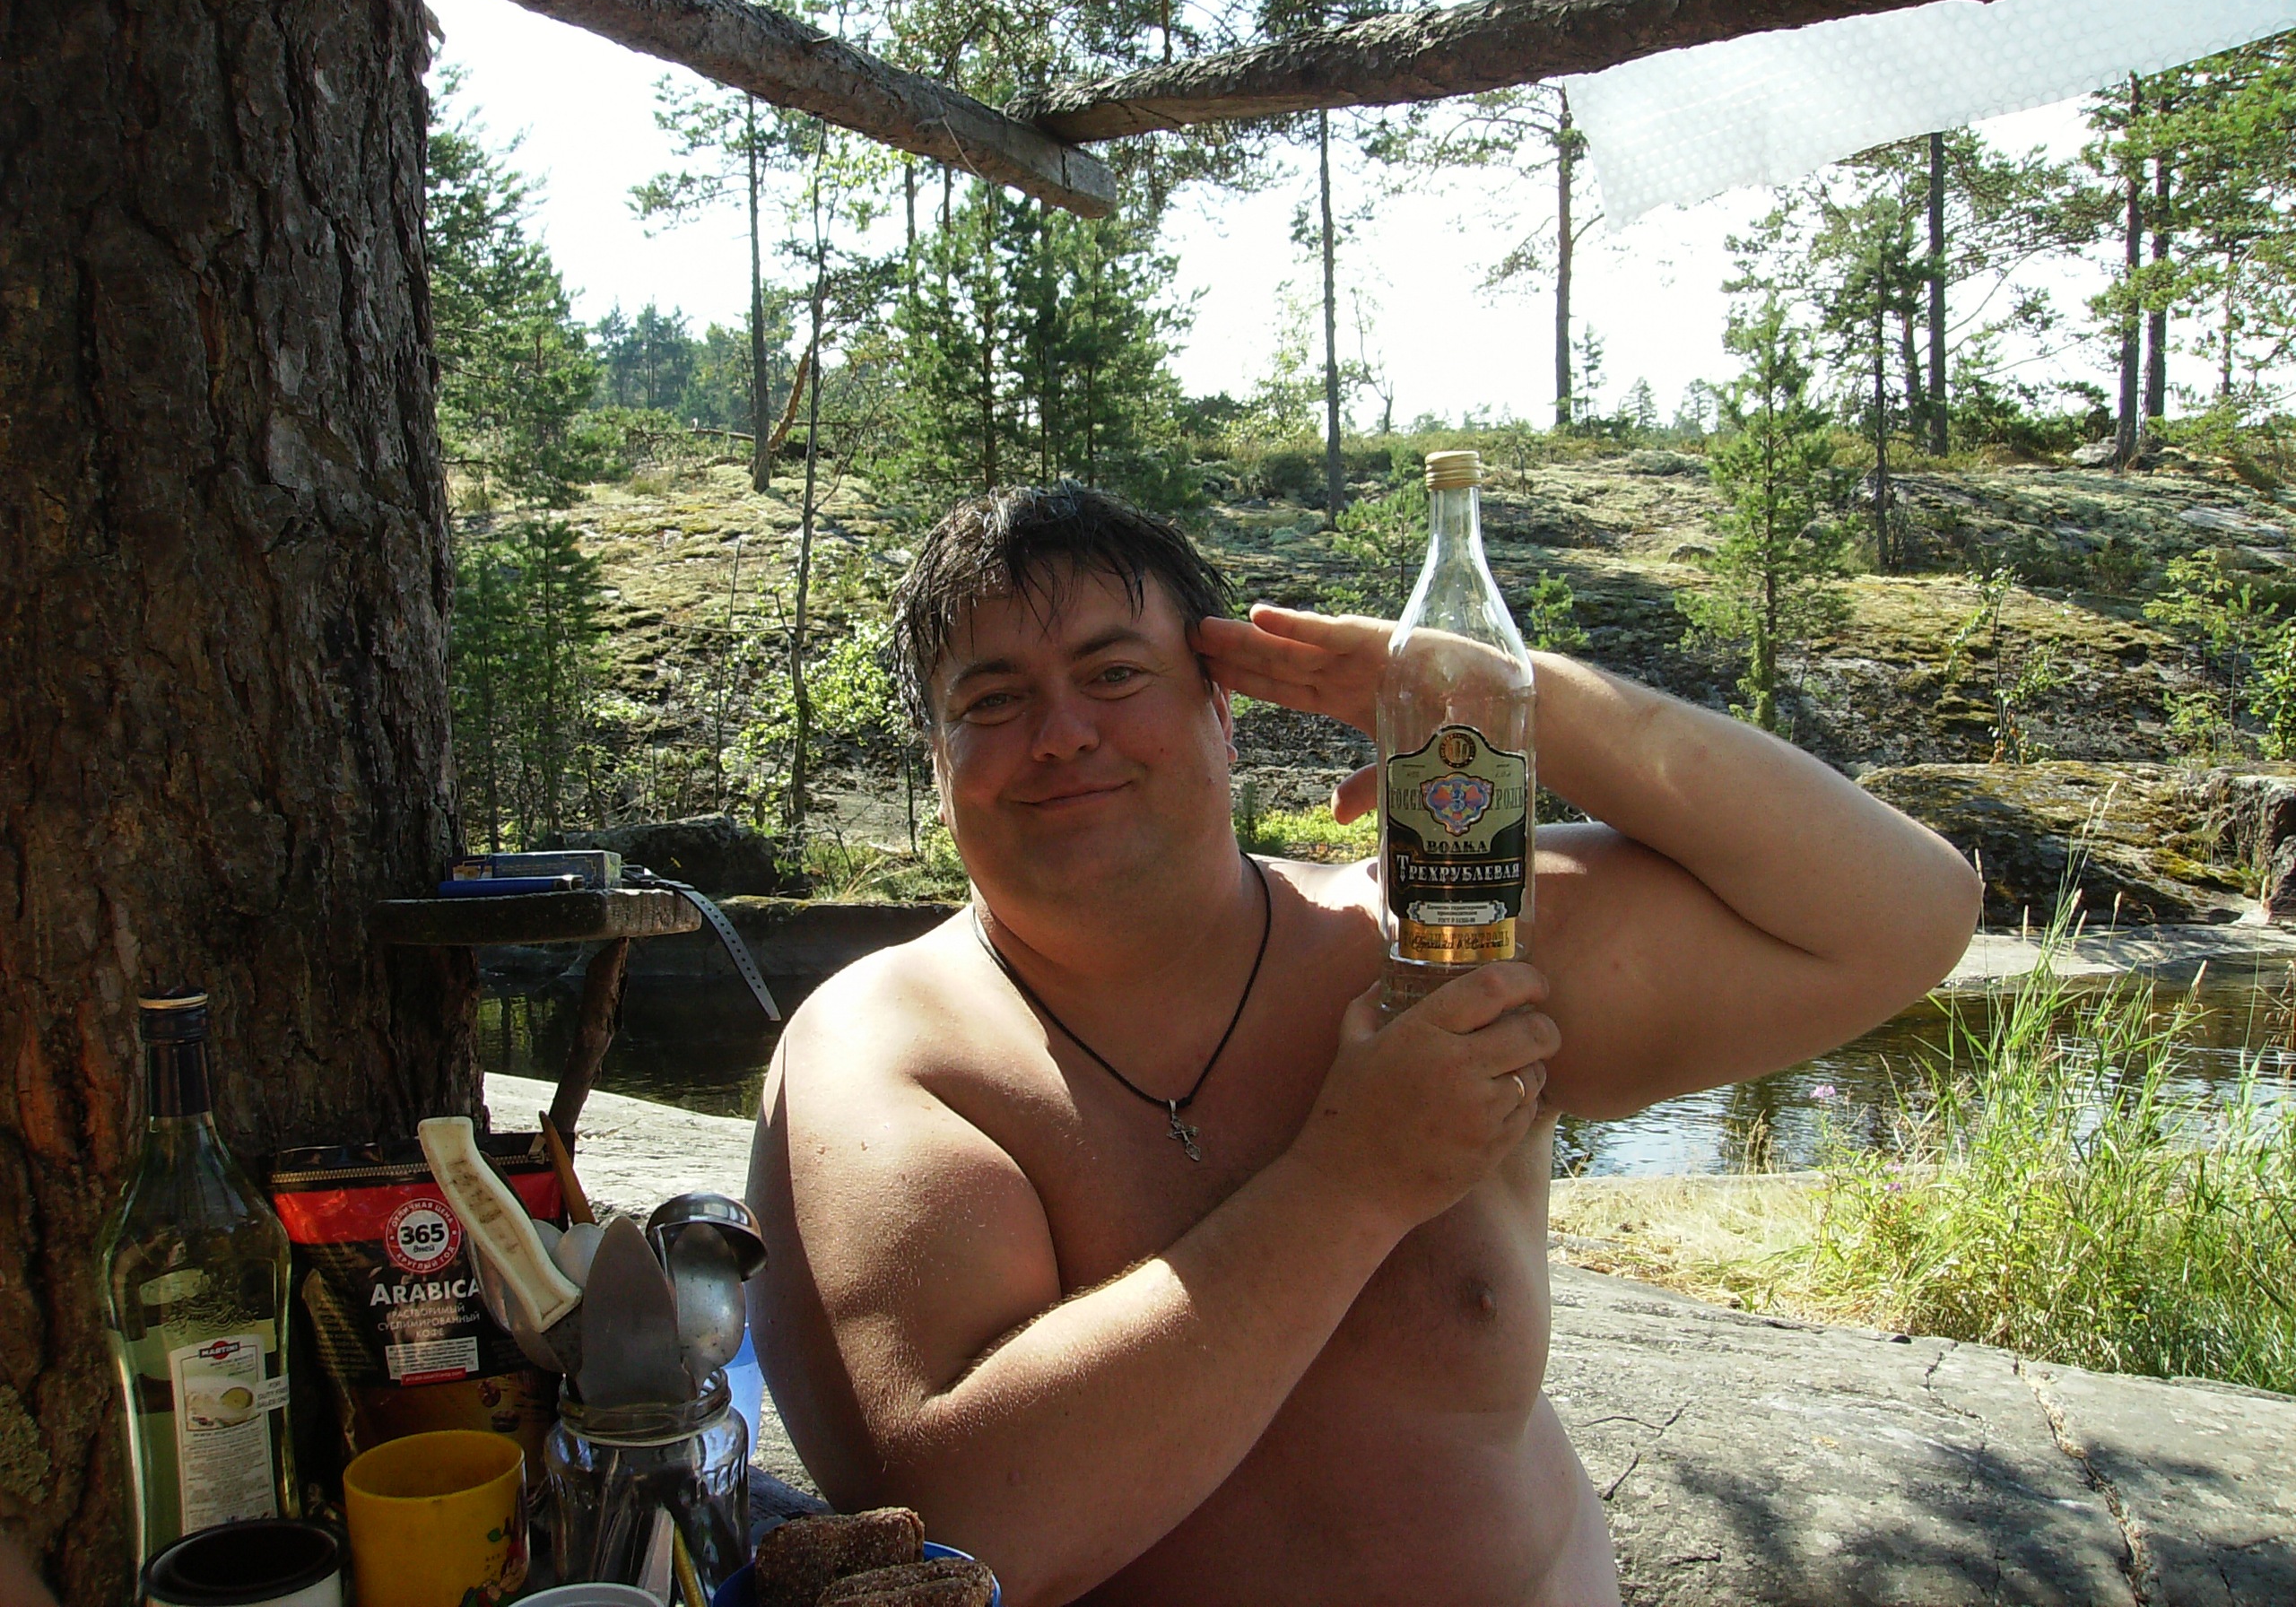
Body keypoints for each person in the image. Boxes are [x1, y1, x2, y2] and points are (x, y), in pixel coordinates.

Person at [746, 483, 1980, 1607]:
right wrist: (1351, 1183)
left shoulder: (1437, 939)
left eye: (1115, 673)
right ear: (939, 761)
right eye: (993, 700)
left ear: (1223, 709)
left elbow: (1904, 916)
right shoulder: (883, 1055)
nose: (1062, 732)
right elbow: (964, 1528)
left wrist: (1495, 694)